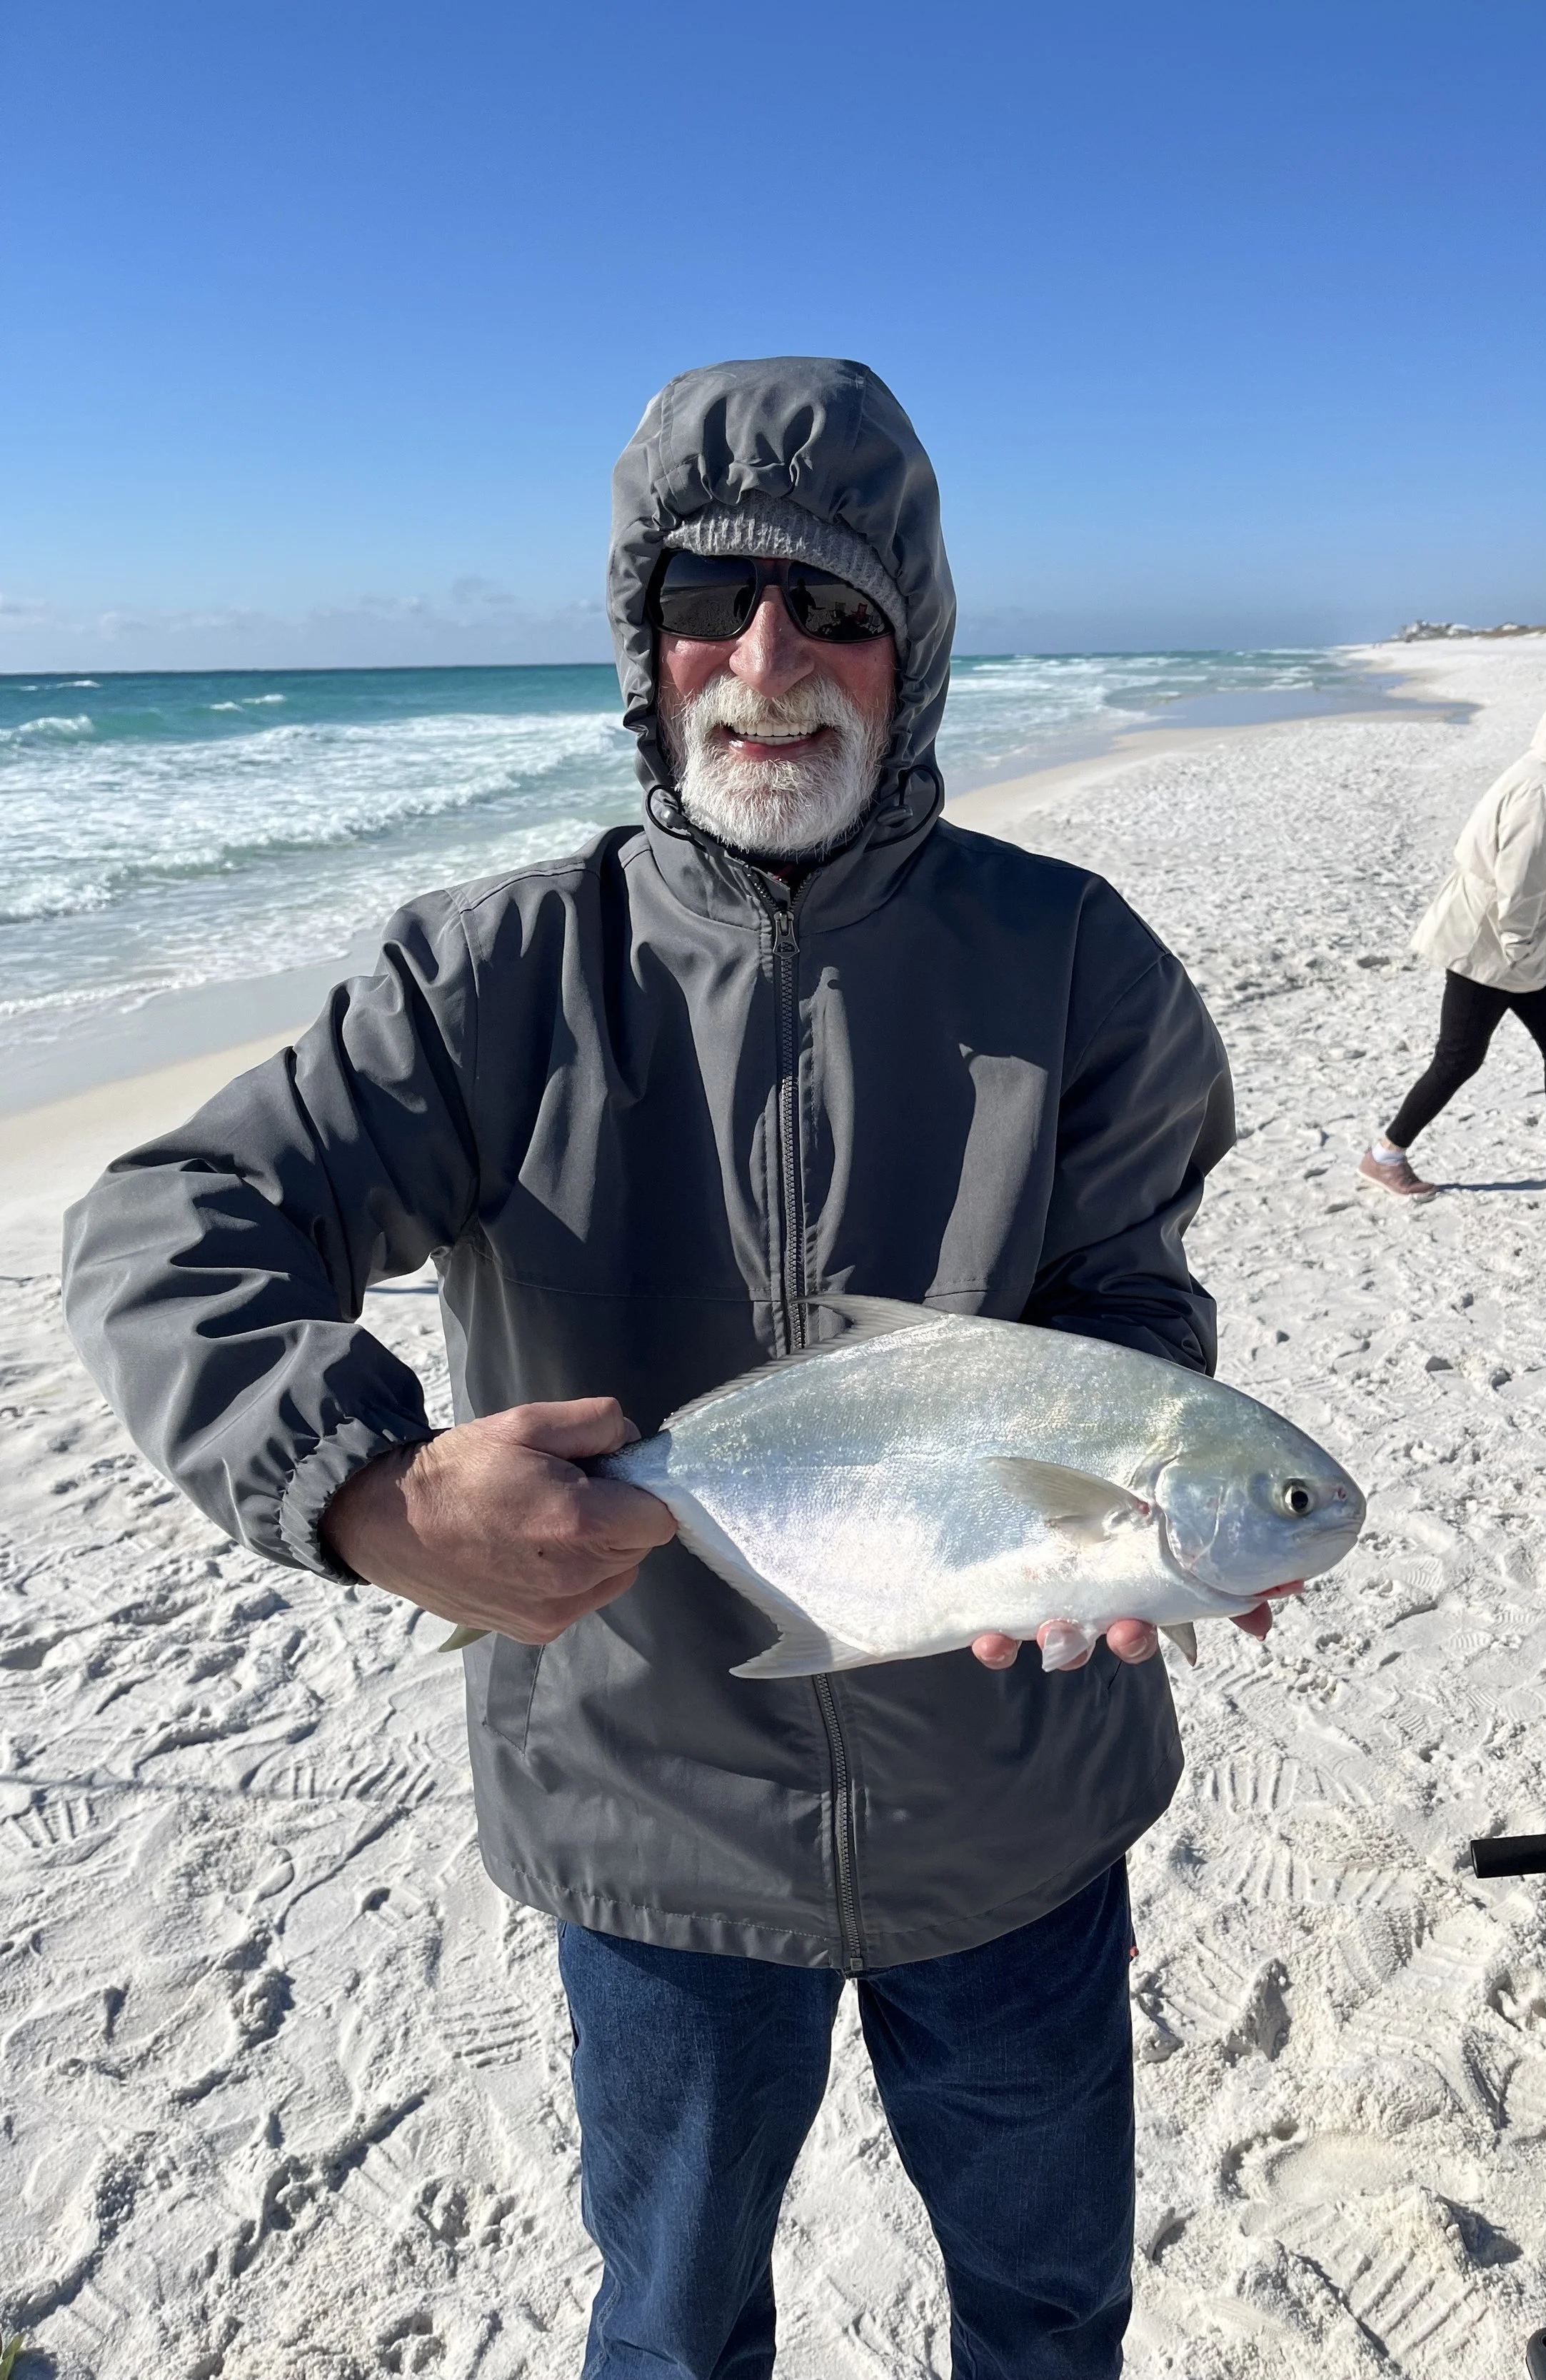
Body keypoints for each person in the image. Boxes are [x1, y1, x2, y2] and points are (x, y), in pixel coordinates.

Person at [62, 358, 1250, 2379]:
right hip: (649, 1817)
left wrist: (1120, 1480)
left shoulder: (1080, 963)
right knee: (675, 2326)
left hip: (1013, 1817)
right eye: (713, 598)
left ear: (914, 649)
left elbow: (1121, 1287)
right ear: (647, 638)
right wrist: (373, 1491)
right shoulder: (486, 978)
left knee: (1050, 2309)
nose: (766, 660)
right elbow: (166, 1227)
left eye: (835, 608)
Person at [1360, 683, 1546, 1198]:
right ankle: (1385, 1155)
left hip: (1525, 951)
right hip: (1490, 949)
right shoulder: (1540, 790)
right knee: (1459, 1057)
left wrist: (1531, 947)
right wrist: (1518, 945)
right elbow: (1521, 876)